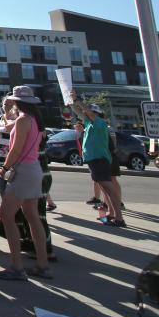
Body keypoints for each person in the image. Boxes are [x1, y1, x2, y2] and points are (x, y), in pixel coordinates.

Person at [0, 86, 51, 281]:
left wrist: (4, 167)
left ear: (18, 102)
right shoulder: (35, 120)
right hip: (34, 168)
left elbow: (16, 149)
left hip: (23, 170)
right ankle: (42, 264)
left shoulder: (23, 120)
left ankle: (17, 267)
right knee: (32, 216)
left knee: (5, 214)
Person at [70, 95, 125, 227]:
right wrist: (71, 102)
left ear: (97, 115)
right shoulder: (89, 124)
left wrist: (78, 101)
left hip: (100, 159)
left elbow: (86, 112)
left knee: (109, 189)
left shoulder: (100, 123)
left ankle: (119, 219)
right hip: (94, 160)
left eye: (91, 113)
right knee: (105, 190)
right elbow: (80, 112)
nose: (87, 114)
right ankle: (112, 214)